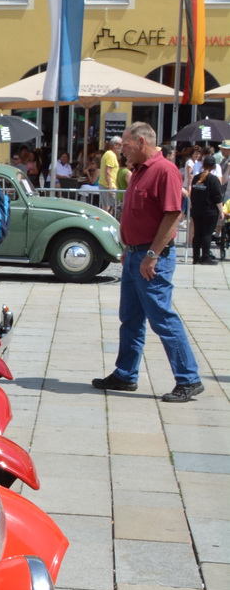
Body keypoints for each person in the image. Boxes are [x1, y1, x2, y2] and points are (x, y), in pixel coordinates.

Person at [92, 122, 203, 403]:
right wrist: (130, 248)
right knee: (130, 319)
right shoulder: (140, 171)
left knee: (162, 318)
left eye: (126, 146)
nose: (122, 151)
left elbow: (172, 215)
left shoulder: (164, 170)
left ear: (141, 142)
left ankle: (189, 378)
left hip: (151, 258)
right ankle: (125, 373)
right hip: (135, 254)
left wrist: (152, 254)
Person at [190, 155, 223, 264]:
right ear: (214, 166)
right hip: (209, 211)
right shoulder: (213, 180)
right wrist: (221, 211)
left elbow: (193, 194)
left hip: (197, 210)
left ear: (203, 165)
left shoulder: (196, 178)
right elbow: (217, 197)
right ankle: (205, 257)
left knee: (198, 233)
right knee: (207, 234)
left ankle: (195, 257)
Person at [98, 136, 120, 214]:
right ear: (115, 145)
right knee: (109, 208)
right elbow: (107, 172)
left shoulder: (109, 154)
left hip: (106, 185)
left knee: (106, 208)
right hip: (108, 186)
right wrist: (110, 187)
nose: (121, 148)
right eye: (120, 145)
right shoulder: (111, 155)